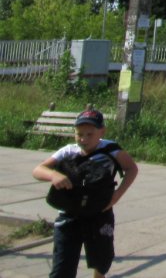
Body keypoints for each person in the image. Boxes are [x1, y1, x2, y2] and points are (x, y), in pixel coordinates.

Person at [32, 108, 139, 278]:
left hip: (100, 213)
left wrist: (117, 195)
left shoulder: (112, 150)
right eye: (79, 134)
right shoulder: (68, 151)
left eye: (90, 134)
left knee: (102, 259)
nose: (84, 139)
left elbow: (132, 169)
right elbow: (38, 170)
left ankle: (98, 275)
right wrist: (53, 175)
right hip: (69, 215)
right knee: (62, 267)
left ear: (101, 132)